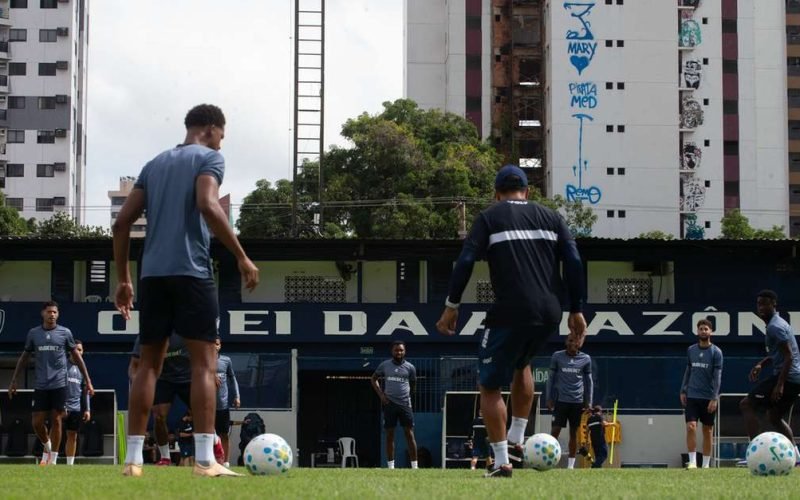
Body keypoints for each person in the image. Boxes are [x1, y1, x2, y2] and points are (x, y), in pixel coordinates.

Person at [113, 104, 259, 477]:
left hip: (151, 277)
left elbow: (122, 223)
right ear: (210, 129)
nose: (222, 144)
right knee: (204, 366)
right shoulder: (209, 158)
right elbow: (207, 204)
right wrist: (241, 257)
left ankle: (133, 461)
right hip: (192, 273)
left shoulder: (154, 164)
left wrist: (124, 279)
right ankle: (206, 461)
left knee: (148, 365)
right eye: (222, 136)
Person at [436, 164, 586, 478]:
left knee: (489, 385)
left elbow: (465, 259)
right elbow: (573, 260)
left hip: (510, 310)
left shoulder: (489, 217)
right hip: (550, 311)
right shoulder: (552, 217)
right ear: (526, 191)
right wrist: (576, 309)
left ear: (496, 194)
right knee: (523, 363)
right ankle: (517, 438)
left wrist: (452, 305)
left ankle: (501, 460)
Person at [8, 301, 94, 466]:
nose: (52, 315)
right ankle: (47, 446)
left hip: (59, 384)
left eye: (55, 312)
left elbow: (77, 357)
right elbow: (25, 356)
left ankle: (53, 461)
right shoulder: (34, 333)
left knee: (56, 420)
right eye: (49, 312)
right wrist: (14, 379)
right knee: (37, 422)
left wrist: (88, 380)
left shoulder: (65, 333)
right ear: (43, 313)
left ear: (58, 314)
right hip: (41, 384)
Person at [739, 290, 800, 463]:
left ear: (774, 304)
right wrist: (762, 364)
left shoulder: (775, 327)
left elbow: (789, 356)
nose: (761, 308)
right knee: (774, 417)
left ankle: (754, 453)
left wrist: (780, 385)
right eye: (759, 304)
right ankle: (796, 457)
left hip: (788, 378)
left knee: (746, 404)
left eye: (765, 304)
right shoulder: (775, 324)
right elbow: (778, 353)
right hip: (795, 379)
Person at [129, 333, 192, 466]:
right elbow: (134, 365)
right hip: (163, 379)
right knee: (158, 417)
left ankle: (214, 444)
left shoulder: (186, 330)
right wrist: (137, 382)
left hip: (188, 376)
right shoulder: (148, 334)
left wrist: (210, 373)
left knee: (201, 415)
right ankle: (165, 457)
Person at [679, 318, 723, 469]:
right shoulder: (691, 350)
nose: (703, 331)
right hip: (692, 395)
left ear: (711, 332)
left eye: (706, 329)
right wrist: (683, 390)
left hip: (708, 397)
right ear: (697, 331)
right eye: (701, 329)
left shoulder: (716, 352)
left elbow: (717, 377)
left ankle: (705, 465)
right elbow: (688, 370)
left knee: (707, 430)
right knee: (691, 427)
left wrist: (714, 398)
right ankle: (692, 462)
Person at [546, 335, 593, 469]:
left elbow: (589, 382)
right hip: (561, 401)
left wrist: (589, 402)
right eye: (570, 341)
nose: (573, 343)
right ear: (566, 342)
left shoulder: (586, 358)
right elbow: (550, 378)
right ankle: (548, 461)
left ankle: (570, 466)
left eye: (576, 341)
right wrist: (549, 398)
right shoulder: (557, 356)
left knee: (573, 433)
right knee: (555, 431)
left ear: (579, 344)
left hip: (577, 402)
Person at [371, 341, 419, 469]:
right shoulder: (385, 365)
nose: (399, 352)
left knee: (409, 434)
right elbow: (373, 379)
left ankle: (415, 467)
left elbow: (413, 385)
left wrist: (407, 396)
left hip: (405, 405)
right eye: (396, 350)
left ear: (405, 351)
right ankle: (391, 467)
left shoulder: (410, 367)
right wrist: (381, 395)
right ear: (392, 351)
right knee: (389, 435)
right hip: (389, 404)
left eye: (401, 350)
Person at [64, 340, 91, 466]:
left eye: (80, 350)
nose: (78, 352)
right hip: (61, 407)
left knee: (73, 435)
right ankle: (49, 460)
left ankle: (70, 464)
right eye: (76, 349)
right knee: (54, 433)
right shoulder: (63, 365)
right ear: (70, 351)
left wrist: (87, 409)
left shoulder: (82, 369)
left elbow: (86, 390)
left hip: (75, 408)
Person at [215, 336, 241, 467]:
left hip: (223, 406)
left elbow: (232, 378)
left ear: (220, 346)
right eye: (212, 344)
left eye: (217, 344)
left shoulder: (226, 360)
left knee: (224, 434)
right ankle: (211, 460)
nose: (214, 346)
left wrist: (237, 396)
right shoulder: (203, 361)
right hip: (207, 406)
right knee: (208, 435)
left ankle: (226, 462)